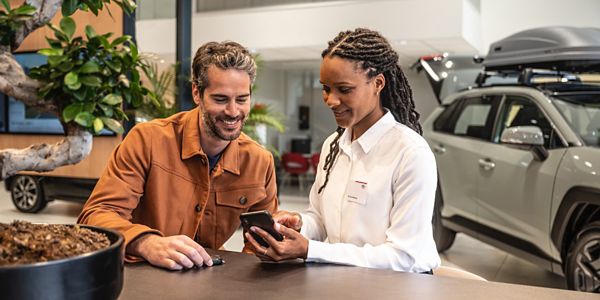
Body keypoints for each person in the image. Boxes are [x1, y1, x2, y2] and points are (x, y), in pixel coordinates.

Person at [246, 28, 440, 273]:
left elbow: (403, 257)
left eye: (344, 89)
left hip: (399, 288)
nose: (331, 100)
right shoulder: (332, 146)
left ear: (378, 83)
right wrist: (299, 225)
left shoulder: (411, 153)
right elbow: (320, 220)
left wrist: (310, 250)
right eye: (326, 88)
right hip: (342, 281)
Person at [78, 41, 278, 270]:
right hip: (143, 276)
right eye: (220, 99)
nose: (233, 112)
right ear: (196, 93)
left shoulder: (259, 161)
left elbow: (263, 242)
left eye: (241, 99)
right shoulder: (147, 140)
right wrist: (146, 243)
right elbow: (95, 217)